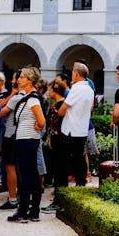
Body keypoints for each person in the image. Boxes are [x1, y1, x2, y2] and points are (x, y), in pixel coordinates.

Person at [7, 66, 46, 223]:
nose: (18, 79)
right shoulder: (30, 97)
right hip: (28, 139)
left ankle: (23, 211)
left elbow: (41, 121)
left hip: (27, 139)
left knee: (26, 175)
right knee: (33, 175)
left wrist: (38, 125)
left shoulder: (32, 99)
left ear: (30, 80)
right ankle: (33, 211)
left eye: (22, 77)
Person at [57, 63, 94, 187]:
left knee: (62, 164)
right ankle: (80, 188)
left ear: (76, 74)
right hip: (82, 130)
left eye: (72, 72)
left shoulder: (77, 88)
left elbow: (62, 111)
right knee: (79, 162)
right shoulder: (89, 89)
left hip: (70, 131)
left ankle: (61, 194)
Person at [0, 71, 25, 211]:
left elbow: (0, 113)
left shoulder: (15, 98)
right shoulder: (29, 96)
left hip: (10, 134)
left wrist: (11, 95)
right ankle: (23, 196)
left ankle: (12, 198)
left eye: (14, 77)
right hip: (22, 135)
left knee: (10, 167)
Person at [41, 77, 68, 213]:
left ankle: (59, 201)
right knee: (58, 171)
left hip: (58, 142)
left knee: (59, 171)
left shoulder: (59, 105)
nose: (48, 92)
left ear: (55, 90)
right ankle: (59, 200)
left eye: (50, 89)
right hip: (58, 141)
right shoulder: (58, 104)